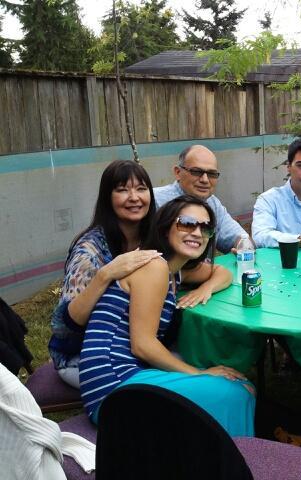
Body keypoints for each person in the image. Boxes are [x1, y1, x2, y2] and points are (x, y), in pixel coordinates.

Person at [79, 195, 254, 437]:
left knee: (238, 387)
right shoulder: (154, 266)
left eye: (206, 228)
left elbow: (222, 272)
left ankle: (220, 455)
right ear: (165, 227)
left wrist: (206, 288)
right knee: (236, 391)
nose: (197, 232)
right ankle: (231, 460)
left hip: (123, 378)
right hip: (114, 386)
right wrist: (198, 373)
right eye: (187, 223)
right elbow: (143, 345)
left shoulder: (174, 271)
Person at [48, 161, 162, 388]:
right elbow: (66, 325)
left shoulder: (153, 238)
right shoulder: (89, 250)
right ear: (107, 198)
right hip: (84, 358)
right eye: (122, 189)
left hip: (133, 347)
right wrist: (106, 274)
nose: (134, 197)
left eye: (141, 189)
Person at [154, 145, 247, 253]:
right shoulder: (154, 200)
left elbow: (238, 236)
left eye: (211, 174)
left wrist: (244, 247)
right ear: (178, 172)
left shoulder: (213, 204)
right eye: (196, 172)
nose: (205, 180)